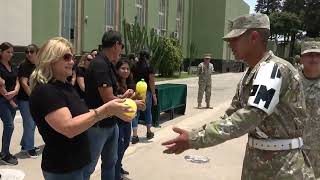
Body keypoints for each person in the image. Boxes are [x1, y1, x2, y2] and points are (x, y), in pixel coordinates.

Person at [162, 13, 315, 179]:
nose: (229, 44)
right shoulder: (250, 75)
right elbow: (230, 116)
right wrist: (195, 133)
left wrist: (195, 139)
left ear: (254, 37)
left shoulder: (273, 69)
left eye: (235, 38)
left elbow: (250, 116)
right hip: (257, 163)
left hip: (283, 168)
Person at [84, 30, 135, 180]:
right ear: (116, 45)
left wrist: (122, 97)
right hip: (98, 125)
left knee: (110, 163)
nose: (121, 49)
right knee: (89, 167)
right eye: (122, 45)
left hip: (110, 123)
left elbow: (111, 97)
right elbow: (108, 99)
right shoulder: (100, 64)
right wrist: (131, 104)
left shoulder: (108, 64)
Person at [114, 58, 144, 180]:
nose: (125, 71)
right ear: (117, 70)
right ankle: (116, 174)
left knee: (126, 144)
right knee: (118, 148)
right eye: (122, 68)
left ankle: (118, 165)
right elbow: (114, 99)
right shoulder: (114, 83)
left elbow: (134, 99)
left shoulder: (130, 83)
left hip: (127, 120)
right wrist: (129, 98)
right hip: (118, 120)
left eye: (127, 69)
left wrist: (138, 96)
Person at [300, 40, 320, 179]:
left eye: (318, 55)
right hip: (295, 148)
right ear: (301, 58)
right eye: (309, 55)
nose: (314, 59)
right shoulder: (291, 81)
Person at [17, 44, 39, 158]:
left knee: (31, 123)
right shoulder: (25, 65)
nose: (29, 54)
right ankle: (30, 148)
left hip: (31, 98)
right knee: (30, 123)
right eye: (27, 52)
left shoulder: (36, 65)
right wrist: (33, 97)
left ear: (37, 53)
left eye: (31, 52)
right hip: (25, 100)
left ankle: (25, 145)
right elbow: (24, 83)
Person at [131, 49, 157, 144]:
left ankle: (134, 135)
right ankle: (149, 132)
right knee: (147, 111)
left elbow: (132, 78)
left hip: (137, 91)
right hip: (147, 92)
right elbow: (151, 81)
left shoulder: (134, 66)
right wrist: (154, 95)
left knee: (135, 113)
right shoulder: (149, 66)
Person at [0, 42, 20, 165]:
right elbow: (1, 86)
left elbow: (17, 79)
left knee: (8, 127)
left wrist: (16, 90)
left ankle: (4, 152)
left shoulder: (11, 65)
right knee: (9, 126)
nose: (11, 54)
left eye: (12, 52)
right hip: (3, 100)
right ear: (1, 52)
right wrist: (11, 101)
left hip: (12, 97)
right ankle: (5, 155)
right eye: (8, 52)